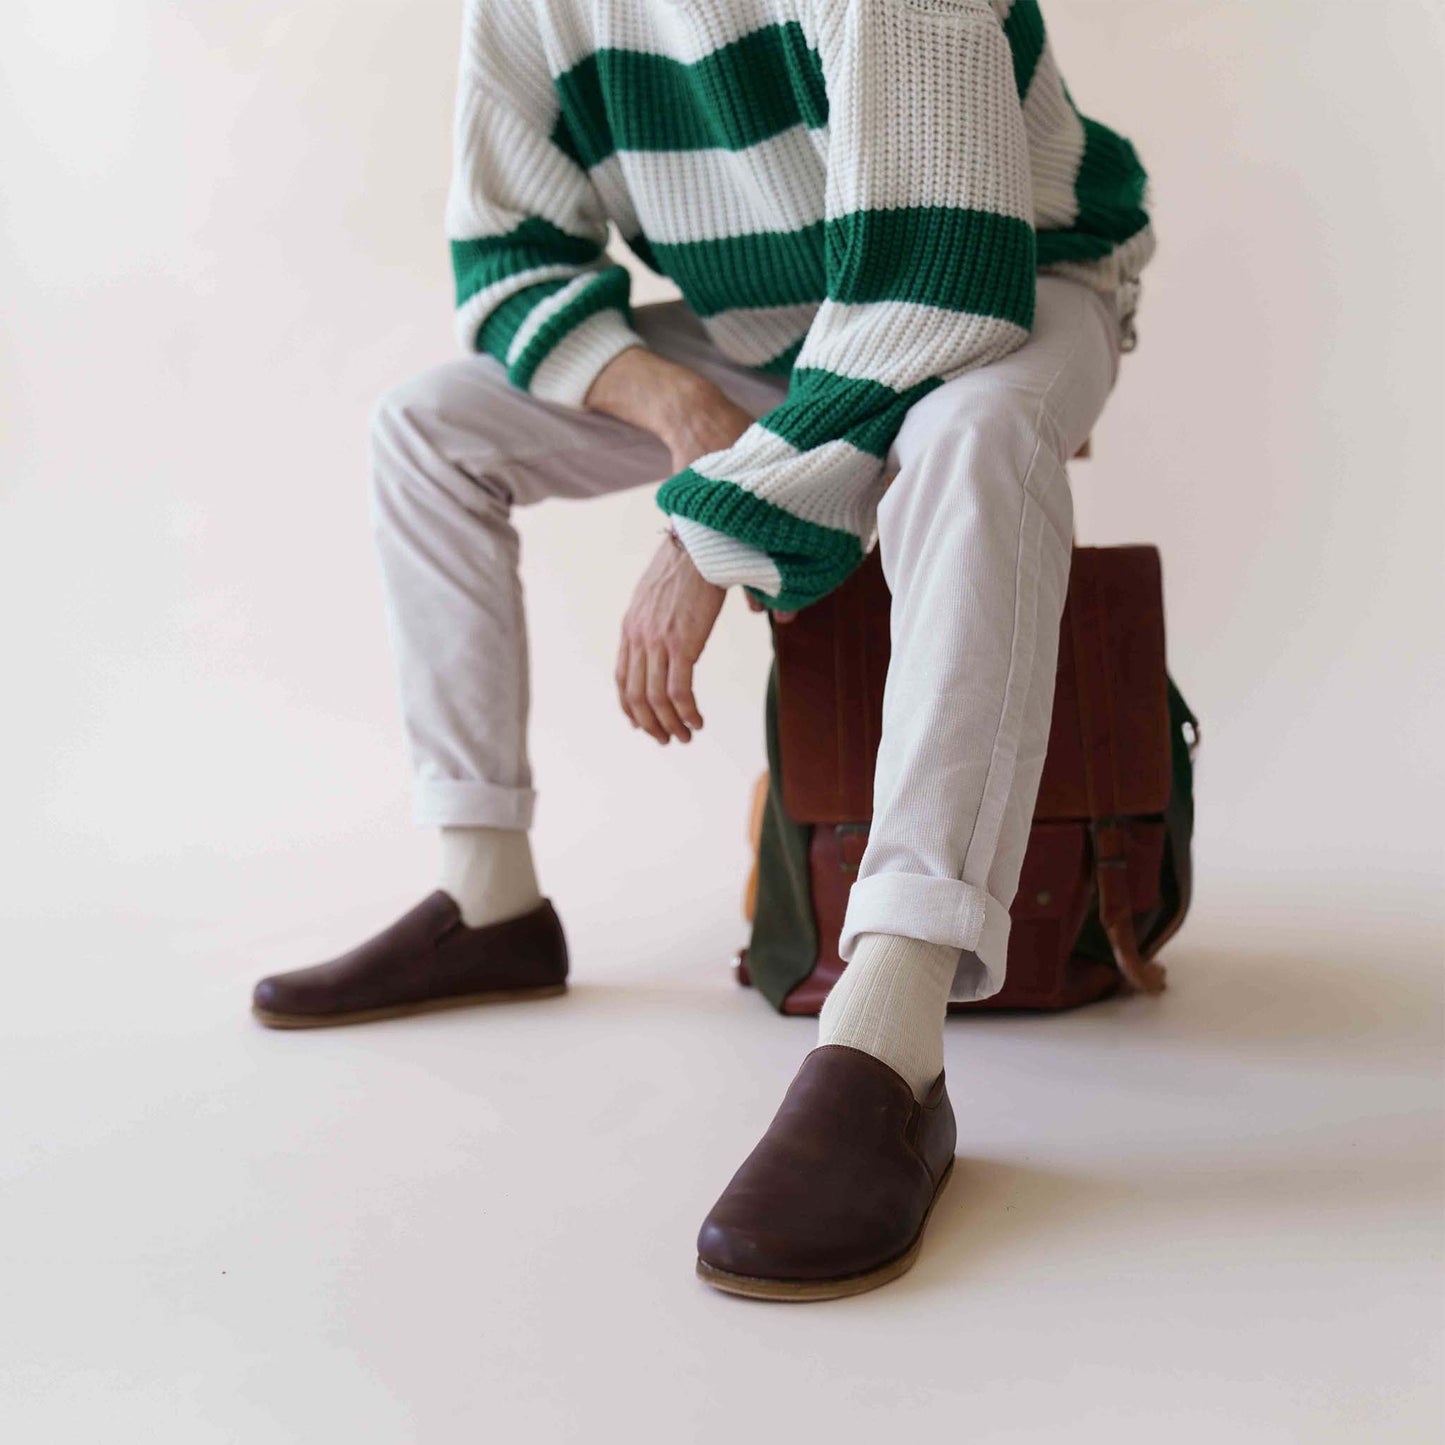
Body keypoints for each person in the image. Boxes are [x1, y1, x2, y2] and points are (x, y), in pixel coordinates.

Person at [251, 0, 1155, 1301]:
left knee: (968, 442)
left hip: (1009, 275)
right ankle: (486, 897)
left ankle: (888, 1034)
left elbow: (930, 287)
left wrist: (709, 528)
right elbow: (506, 258)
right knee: (426, 426)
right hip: (771, 320)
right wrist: (671, 401)